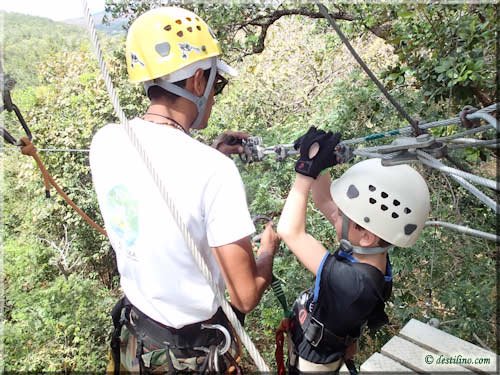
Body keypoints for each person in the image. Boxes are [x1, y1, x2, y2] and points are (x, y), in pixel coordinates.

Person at [89, 7, 279, 374]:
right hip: (188, 356)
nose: (214, 95)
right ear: (196, 82)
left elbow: (158, 184)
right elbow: (245, 295)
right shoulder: (213, 172)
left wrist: (210, 153)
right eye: (215, 84)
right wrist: (268, 249)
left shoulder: (106, 141)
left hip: (136, 341)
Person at [277, 127, 430, 373]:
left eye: (342, 215)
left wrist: (304, 174)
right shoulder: (373, 254)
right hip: (322, 349)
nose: (334, 214)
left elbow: (290, 231)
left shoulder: (353, 284)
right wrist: (319, 163)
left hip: (312, 365)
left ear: (367, 236)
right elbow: (324, 200)